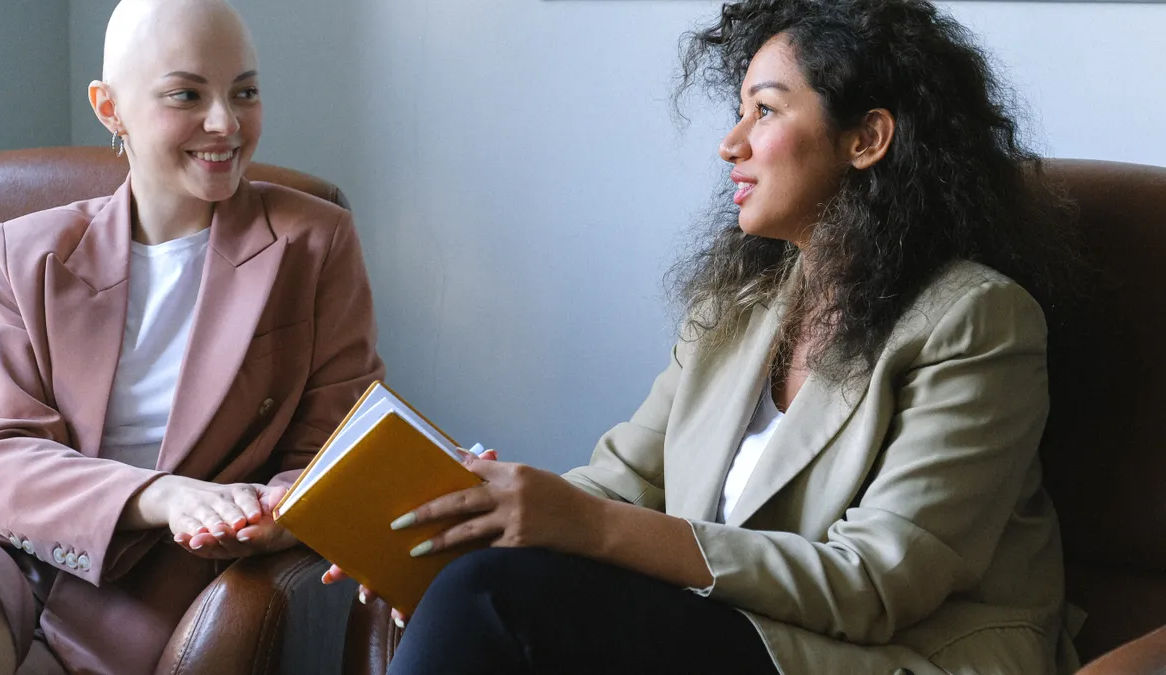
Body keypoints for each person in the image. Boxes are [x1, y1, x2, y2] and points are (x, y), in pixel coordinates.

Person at [326, 0, 1082, 672]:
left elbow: (876, 583)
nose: (731, 143)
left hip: (894, 654)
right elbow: (621, 483)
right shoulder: (736, 310)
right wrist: (467, 516)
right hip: (736, 632)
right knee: (477, 577)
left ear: (867, 138)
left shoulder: (979, 321)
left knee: (493, 598)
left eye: (765, 110)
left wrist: (575, 526)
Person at [0, 1, 383, 673]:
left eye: (244, 91)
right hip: (2, 544)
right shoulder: (25, 250)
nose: (225, 122)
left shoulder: (314, 243)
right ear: (110, 108)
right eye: (186, 94)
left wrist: (283, 507)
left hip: (160, 581)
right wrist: (160, 493)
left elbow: (334, 445)